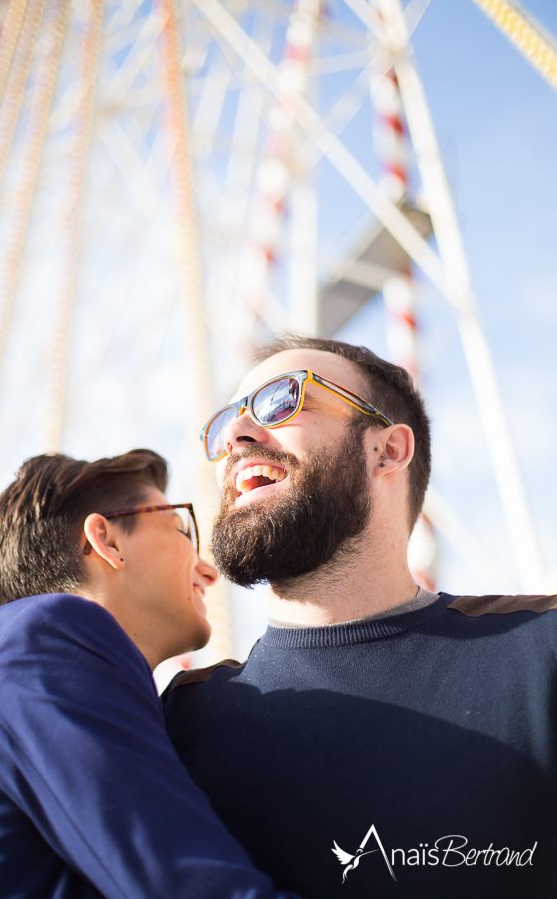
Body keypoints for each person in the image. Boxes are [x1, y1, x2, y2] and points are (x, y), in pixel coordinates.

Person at [162, 336, 557, 899]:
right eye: (227, 419)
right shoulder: (177, 722)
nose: (235, 437)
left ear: (388, 450)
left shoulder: (541, 651)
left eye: (282, 400)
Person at [0, 449, 302, 899]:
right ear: (107, 540)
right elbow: (183, 885)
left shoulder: (20, 656)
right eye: (181, 530)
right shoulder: (46, 637)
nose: (208, 570)